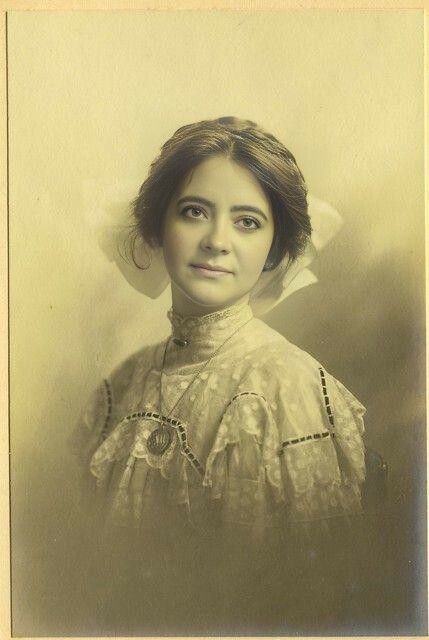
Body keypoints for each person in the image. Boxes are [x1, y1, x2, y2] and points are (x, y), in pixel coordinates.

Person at [70, 117, 373, 634]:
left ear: (275, 250)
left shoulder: (288, 387)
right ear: (158, 227)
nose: (216, 240)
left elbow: (315, 599)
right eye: (194, 212)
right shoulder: (121, 384)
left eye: (247, 222)